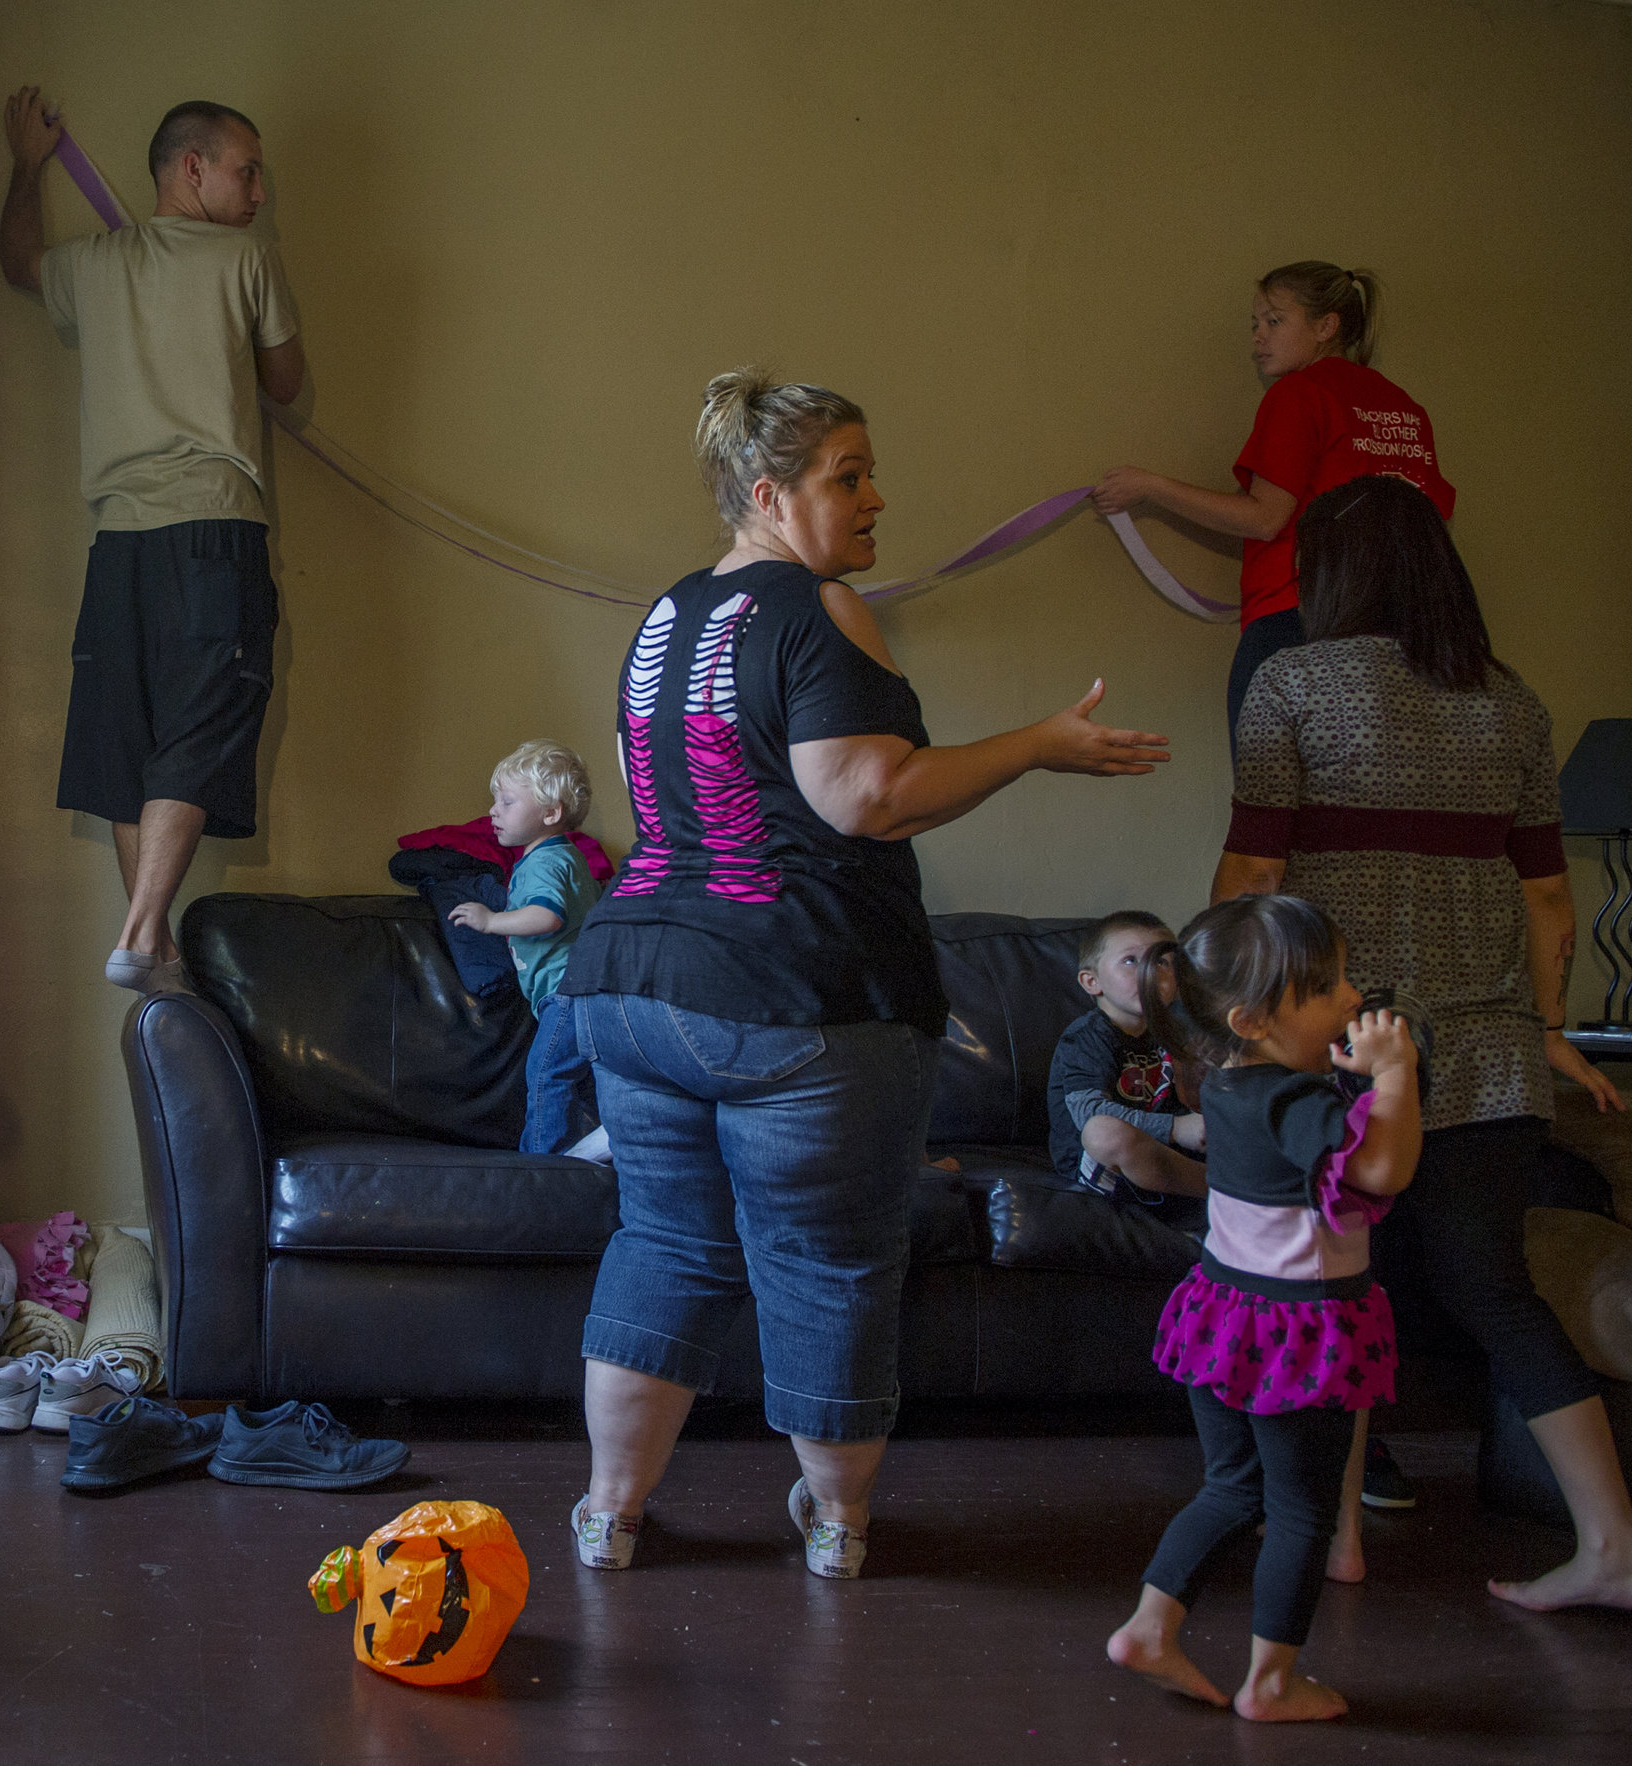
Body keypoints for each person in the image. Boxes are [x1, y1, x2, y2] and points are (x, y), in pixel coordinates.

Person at [555, 369, 1172, 1578]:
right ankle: (836, 1527)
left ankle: (607, 1513)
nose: (877, 496)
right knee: (824, 1258)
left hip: (630, 982)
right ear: (770, 491)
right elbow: (865, 794)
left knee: (665, 1246)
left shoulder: (668, 615)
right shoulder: (816, 602)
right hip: (796, 997)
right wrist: (1038, 745)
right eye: (849, 476)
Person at [1214, 474, 1632, 1610]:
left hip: (1337, 1048)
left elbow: (1253, 877)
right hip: (1484, 1053)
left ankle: (1333, 1541)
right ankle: (1616, 1543)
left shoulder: (1293, 684)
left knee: (1331, 1282)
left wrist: (1230, 1021)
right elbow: (1550, 904)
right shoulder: (1509, 703)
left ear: (1332, 572)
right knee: (1495, 1291)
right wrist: (1549, 1029)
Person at [0, 90, 306, 996]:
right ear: (191, 168)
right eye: (246, 171)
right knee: (201, 720)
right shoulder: (248, 257)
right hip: (214, 527)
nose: (257, 194)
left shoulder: (96, 266)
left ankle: (151, 942)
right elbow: (286, 383)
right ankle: (142, 933)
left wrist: (25, 165)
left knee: (125, 739)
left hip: (119, 542)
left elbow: (18, 263)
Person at [1107, 895, 1420, 1723]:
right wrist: (1395, 1075)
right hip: (1297, 1333)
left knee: (1230, 1489)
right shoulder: (1297, 1102)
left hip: (1223, 1317)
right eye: (1327, 986)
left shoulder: (1232, 1087)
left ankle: (1150, 1625)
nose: (1352, 997)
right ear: (1250, 1018)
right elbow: (1384, 1173)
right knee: (1301, 1511)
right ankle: (1272, 1683)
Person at [1091, 262, 1453, 742]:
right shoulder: (1405, 409)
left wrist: (1149, 487)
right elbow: (1436, 517)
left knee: (1274, 794)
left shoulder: (1300, 395)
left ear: (1327, 326)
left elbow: (1264, 517)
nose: (1259, 337)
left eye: (1275, 321)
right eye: (1255, 324)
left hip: (1298, 621)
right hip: (1406, 632)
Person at [447, 740, 606, 1157]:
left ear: (550, 814)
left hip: (568, 993)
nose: (493, 811)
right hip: (586, 993)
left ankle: (539, 1165)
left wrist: (491, 921)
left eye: (507, 802)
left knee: (545, 1074)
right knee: (587, 1081)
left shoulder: (546, 863)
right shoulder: (560, 857)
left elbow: (546, 916)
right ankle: (600, 1147)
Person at [1047, 910, 1207, 1201]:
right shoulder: (1086, 1037)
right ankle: (1221, 1191)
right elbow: (1088, 1112)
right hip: (1102, 1168)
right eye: (1131, 961)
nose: (1151, 973)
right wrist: (1176, 1128)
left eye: (1162, 961)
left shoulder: (1173, 1030)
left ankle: (1241, 1186)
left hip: (1161, 1159)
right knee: (1103, 1132)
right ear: (1091, 982)